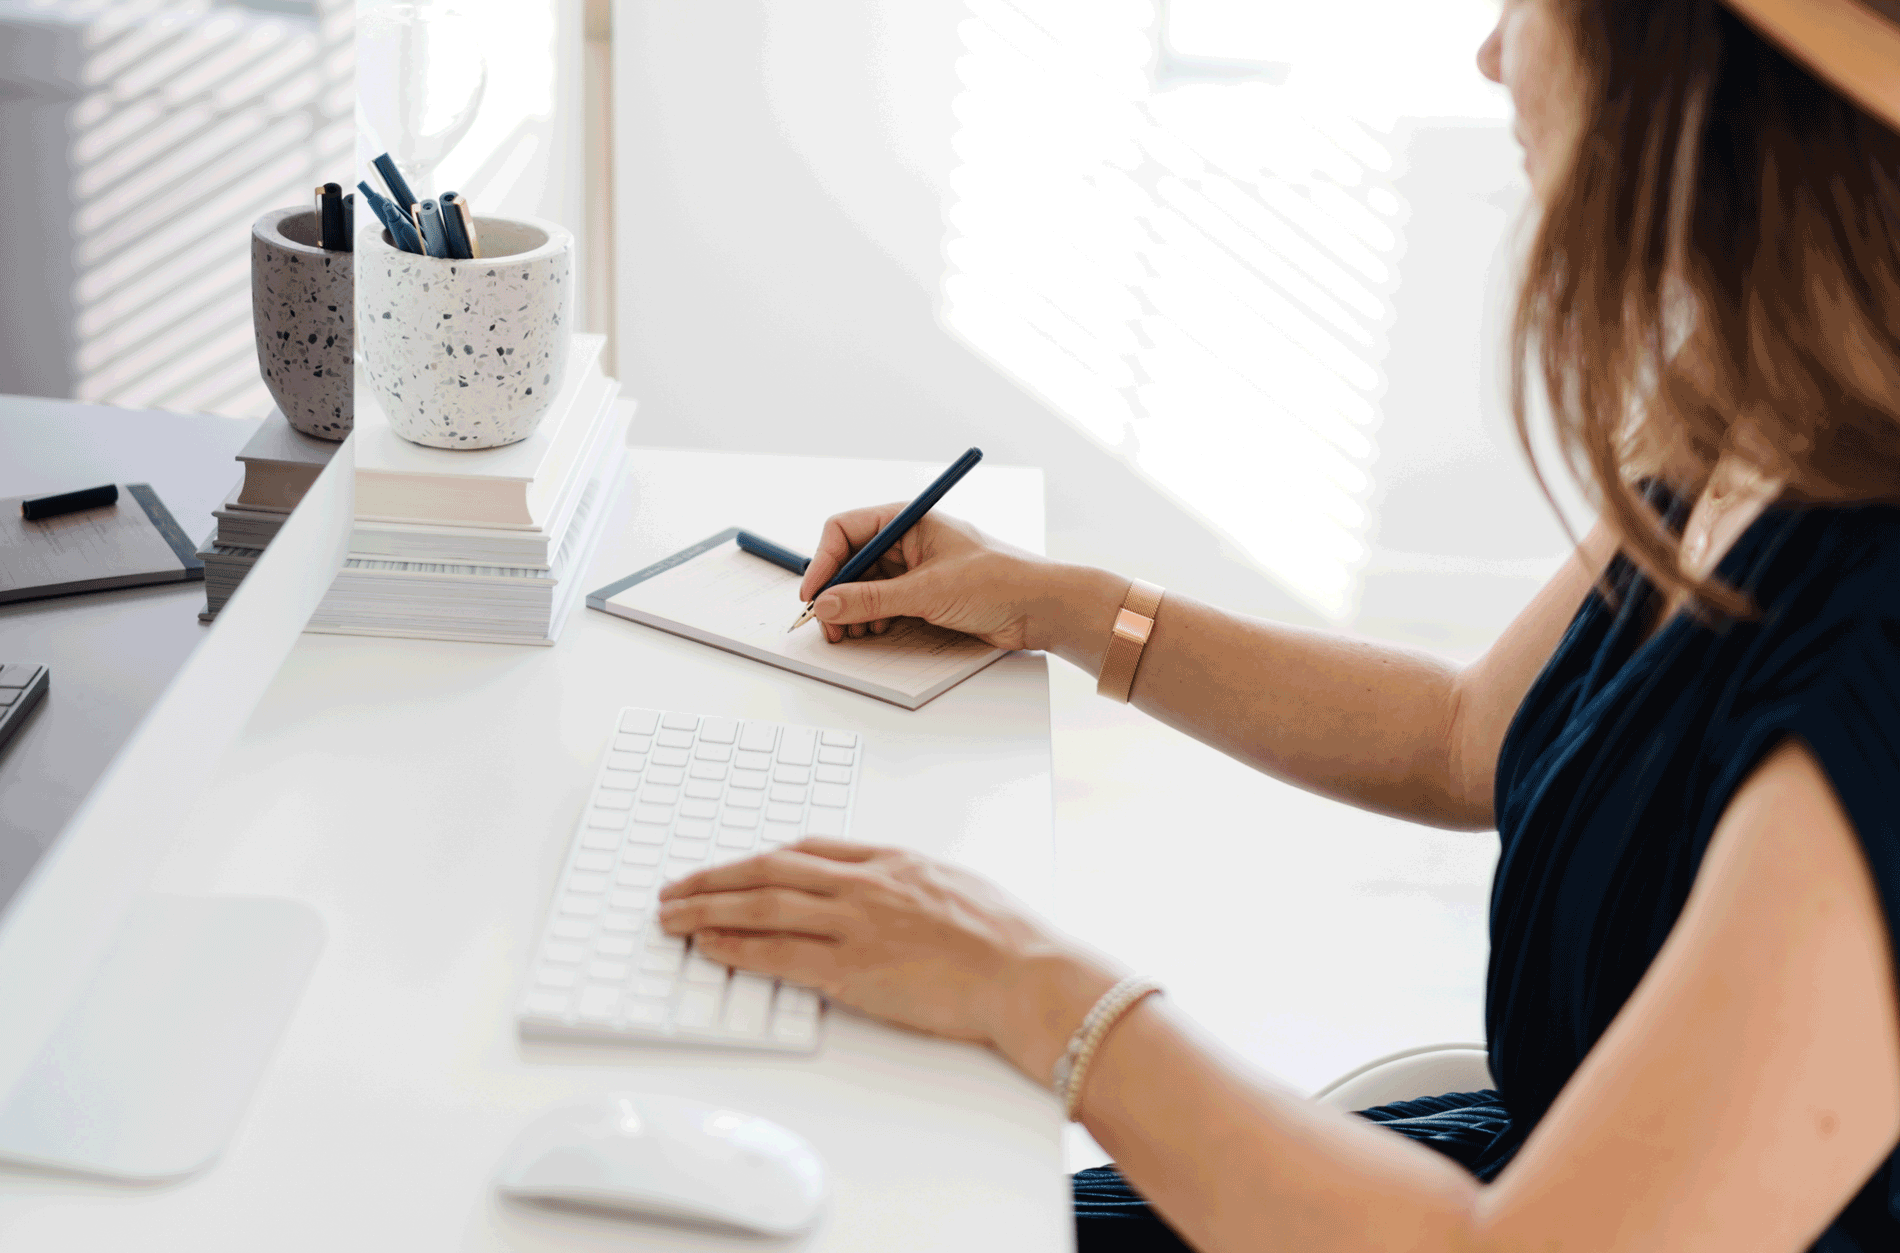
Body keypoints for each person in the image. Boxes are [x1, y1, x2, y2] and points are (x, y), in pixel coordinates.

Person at [660, 0, 1900, 1248]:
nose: (1488, 52)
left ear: (1703, 80)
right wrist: (1054, 603)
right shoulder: (1761, 413)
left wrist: (1023, 985)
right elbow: (1463, 732)